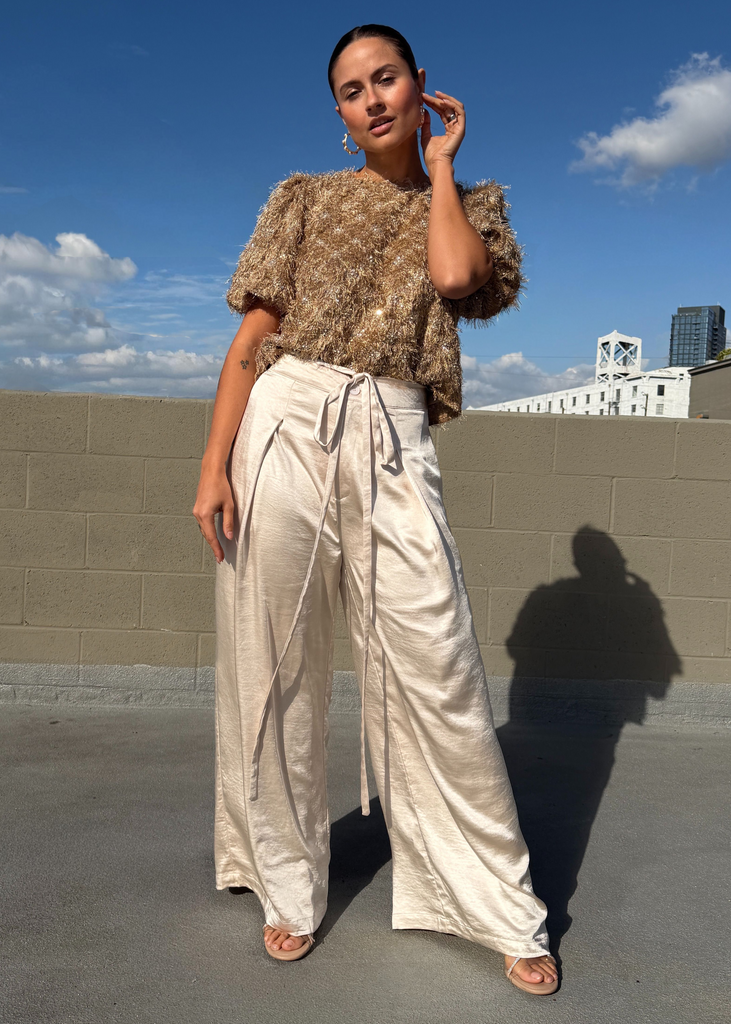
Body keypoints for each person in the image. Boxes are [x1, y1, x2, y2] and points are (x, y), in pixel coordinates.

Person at [193, 23, 559, 995]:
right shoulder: (303, 197)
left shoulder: (474, 208)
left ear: (419, 85)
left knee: (435, 662)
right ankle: (285, 881)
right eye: (351, 90)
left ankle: (490, 899)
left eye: (385, 78)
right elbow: (252, 335)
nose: (371, 100)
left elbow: (454, 280)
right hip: (285, 416)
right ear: (339, 111)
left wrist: (441, 168)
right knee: (275, 660)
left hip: (393, 432)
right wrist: (213, 463)